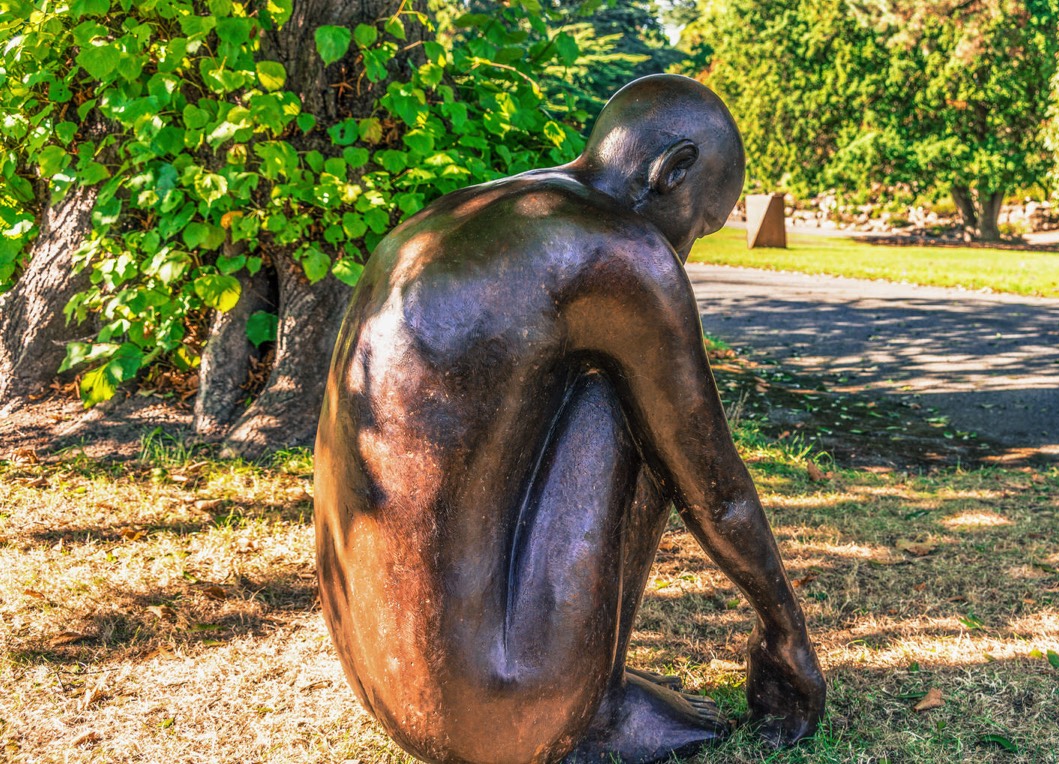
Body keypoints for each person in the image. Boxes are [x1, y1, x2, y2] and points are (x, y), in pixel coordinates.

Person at [313, 74, 826, 764]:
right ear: (671, 171)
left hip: (396, 691)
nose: (688, 252)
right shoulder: (621, 252)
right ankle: (589, 711)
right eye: (699, 225)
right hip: (495, 714)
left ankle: (575, 682)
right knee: (649, 407)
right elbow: (716, 486)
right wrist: (783, 630)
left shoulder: (472, 213)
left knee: (622, 378)